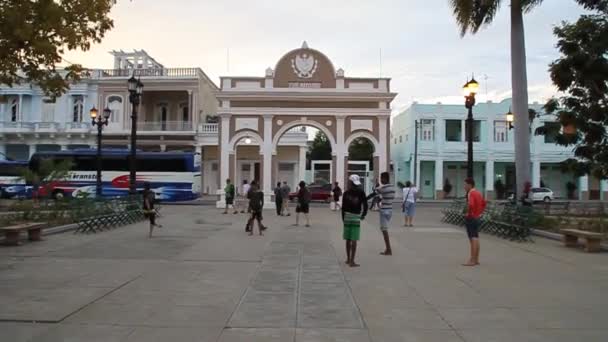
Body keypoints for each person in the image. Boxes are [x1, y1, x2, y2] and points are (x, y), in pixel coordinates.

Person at [342, 175, 368, 267]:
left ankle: (348, 259)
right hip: (356, 217)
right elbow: (365, 205)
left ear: (349, 182)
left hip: (347, 217)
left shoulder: (346, 193)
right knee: (354, 239)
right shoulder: (361, 192)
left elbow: (343, 208)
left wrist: (343, 219)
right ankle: (352, 261)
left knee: (348, 239)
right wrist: (363, 215)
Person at [463, 177, 486, 266]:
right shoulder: (478, 193)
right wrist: (479, 212)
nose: (464, 187)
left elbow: (471, 204)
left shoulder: (471, 193)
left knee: (472, 238)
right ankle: (476, 259)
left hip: (471, 217)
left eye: (465, 185)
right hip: (476, 217)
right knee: (476, 237)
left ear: (470, 185)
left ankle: (472, 260)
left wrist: (467, 212)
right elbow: (484, 203)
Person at [375, 172, 395, 255]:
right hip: (390, 210)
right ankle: (388, 248)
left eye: (381, 178)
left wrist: (377, 185)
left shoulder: (383, 188)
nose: (381, 180)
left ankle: (388, 249)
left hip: (384, 210)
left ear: (385, 179)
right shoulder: (392, 188)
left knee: (384, 230)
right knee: (385, 229)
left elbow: (376, 191)